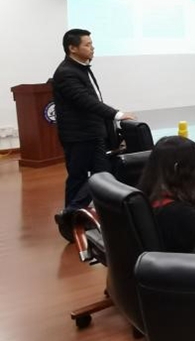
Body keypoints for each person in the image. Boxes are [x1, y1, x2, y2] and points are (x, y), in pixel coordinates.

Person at [52, 28, 134, 241]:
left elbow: (93, 99)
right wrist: (117, 114)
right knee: (85, 176)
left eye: (91, 44)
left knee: (97, 174)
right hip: (79, 135)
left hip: (91, 133)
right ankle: (71, 217)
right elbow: (86, 101)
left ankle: (72, 218)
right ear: (72, 48)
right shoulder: (66, 72)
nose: (92, 48)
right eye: (87, 45)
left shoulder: (80, 68)